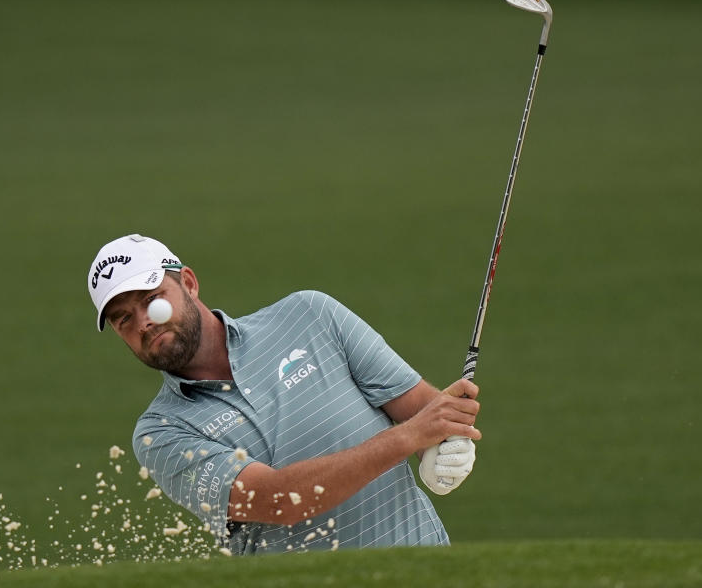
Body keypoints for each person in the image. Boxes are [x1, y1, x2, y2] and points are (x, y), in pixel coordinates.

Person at [86, 233, 480, 554]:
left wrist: (444, 442)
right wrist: (411, 437)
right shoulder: (161, 432)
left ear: (188, 283)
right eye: (123, 318)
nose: (143, 324)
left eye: (151, 300)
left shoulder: (310, 315)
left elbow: (423, 410)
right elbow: (279, 501)